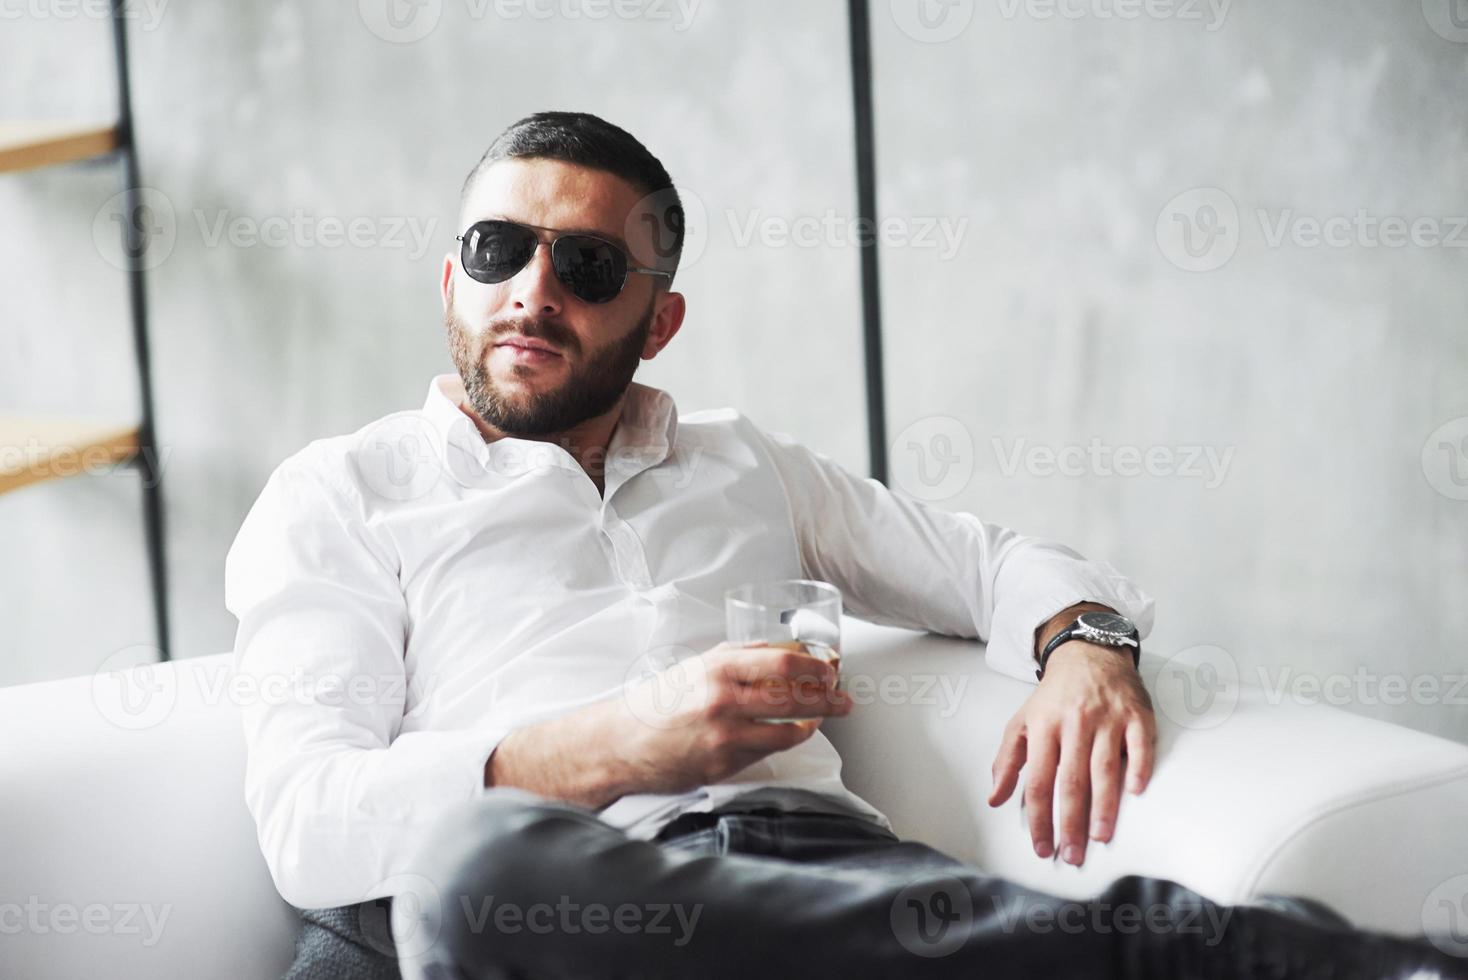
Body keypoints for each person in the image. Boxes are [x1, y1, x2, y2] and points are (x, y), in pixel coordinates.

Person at [224, 111, 1463, 980]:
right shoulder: (342, 493)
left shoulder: (743, 461)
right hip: (551, 904)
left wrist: (1083, 641)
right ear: (450, 278)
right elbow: (309, 821)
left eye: (588, 264)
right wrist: (629, 736)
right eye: (500, 250)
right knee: (471, 865)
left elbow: (992, 560)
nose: (533, 291)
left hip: (813, 868)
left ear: (656, 322)